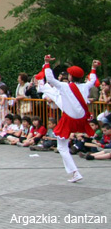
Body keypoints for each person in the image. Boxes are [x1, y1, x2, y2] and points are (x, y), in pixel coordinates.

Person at [41, 55, 99, 183]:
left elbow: (50, 79)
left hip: (68, 119)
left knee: (62, 147)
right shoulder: (85, 86)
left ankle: (75, 172)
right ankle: (74, 172)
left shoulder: (64, 86)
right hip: (81, 119)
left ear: (71, 76)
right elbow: (92, 81)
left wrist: (46, 64)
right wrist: (93, 68)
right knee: (63, 146)